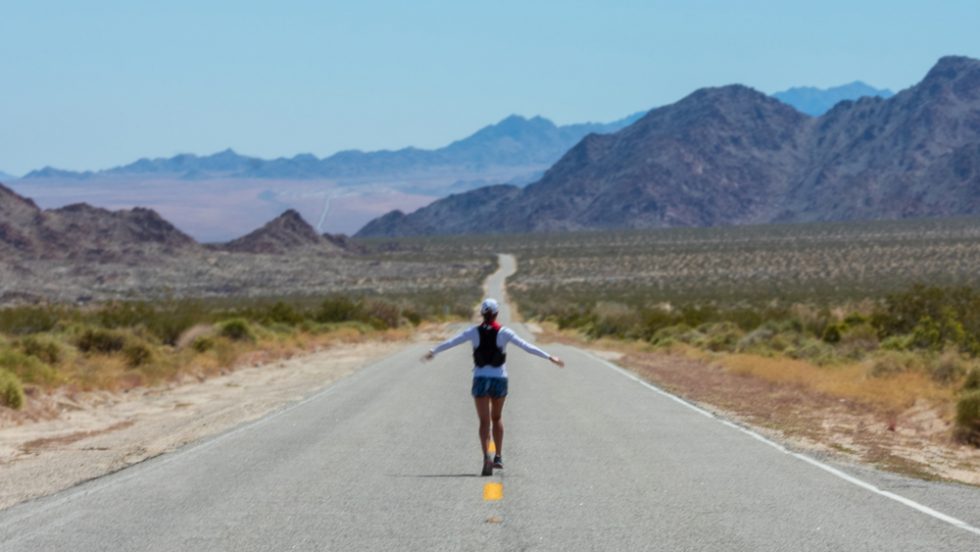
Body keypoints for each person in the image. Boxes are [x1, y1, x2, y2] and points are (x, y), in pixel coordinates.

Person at [422, 298, 564, 476]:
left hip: (480, 378)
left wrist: (433, 351)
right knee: (496, 418)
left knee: (484, 422)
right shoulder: (504, 333)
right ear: (497, 314)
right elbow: (527, 346)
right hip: (499, 379)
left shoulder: (473, 332)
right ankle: (498, 456)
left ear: (481, 314)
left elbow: (451, 342)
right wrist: (550, 357)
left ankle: (486, 457)